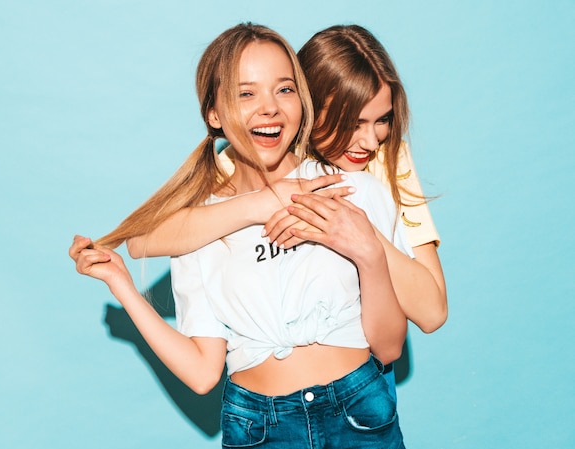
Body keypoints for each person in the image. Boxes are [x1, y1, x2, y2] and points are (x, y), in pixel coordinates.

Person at [70, 23, 410, 449]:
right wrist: (123, 288)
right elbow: (201, 372)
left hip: (360, 419)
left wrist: (369, 253)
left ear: (301, 100)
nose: (269, 108)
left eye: (284, 89)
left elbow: (388, 348)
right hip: (261, 434)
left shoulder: (349, 188)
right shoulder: (198, 228)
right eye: (245, 94)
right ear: (214, 113)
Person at [124, 25, 447, 398]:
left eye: (382, 120)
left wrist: (352, 229)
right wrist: (266, 201)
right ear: (309, 105)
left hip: (363, 376)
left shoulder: (387, 159)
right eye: (351, 123)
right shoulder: (251, 155)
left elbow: (432, 311)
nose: (369, 140)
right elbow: (143, 240)